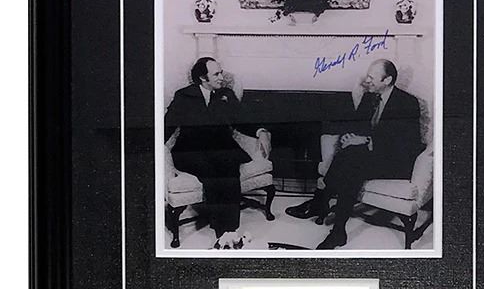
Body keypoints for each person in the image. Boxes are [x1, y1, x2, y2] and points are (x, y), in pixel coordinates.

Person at [285, 59, 424, 249]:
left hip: (395, 161)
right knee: (351, 157)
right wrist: (349, 136)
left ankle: (321, 203)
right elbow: (357, 125)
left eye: (371, 77)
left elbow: (406, 144)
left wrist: (365, 140)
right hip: (368, 156)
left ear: (387, 80)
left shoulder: (407, 103)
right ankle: (336, 228)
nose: (367, 80)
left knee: (352, 160)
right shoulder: (370, 97)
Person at [164, 57, 269, 239]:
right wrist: (152, 144)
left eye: (221, 72)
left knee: (230, 169)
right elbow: (168, 124)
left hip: (220, 147)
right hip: (191, 150)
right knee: (211, 172)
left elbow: (242, 119)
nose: (222, 77)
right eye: (216, 74)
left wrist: (260, 131)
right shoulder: (184, 95)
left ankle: (231, 230)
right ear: (203, 78)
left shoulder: (226, 94)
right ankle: (221, 229)